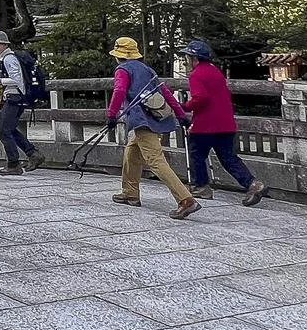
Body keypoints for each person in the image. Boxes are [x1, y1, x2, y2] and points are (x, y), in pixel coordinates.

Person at [103, 36, 199, 219]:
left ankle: (186, 199)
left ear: (119, 55)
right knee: (131, 151)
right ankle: (130, 192)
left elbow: (119, 91)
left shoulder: (122, 70)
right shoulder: (147, 70)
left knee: (155, 160)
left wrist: (111, 114)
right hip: (157, 117)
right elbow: (166, 93)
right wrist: (181, 115)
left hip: (142, 120)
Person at [182, 38, 268, 206]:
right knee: (228, 158)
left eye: (188, 58)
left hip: (205, 125)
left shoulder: (196, 74)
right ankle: (253, 184)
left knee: (197, 154)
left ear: (195, 58)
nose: (187, 62)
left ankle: (201, 186)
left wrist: (185, 106)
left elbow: (200, 98)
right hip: (226, 123)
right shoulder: (216, 71)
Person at [0, 31, 41, 176]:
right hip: (15, 97)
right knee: (10, 129)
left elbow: (17, 80)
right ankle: (33, 154)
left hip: (14, 98)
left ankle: (13, 164)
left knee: (4, 132)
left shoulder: (9, 59)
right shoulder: (5, 58)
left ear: (6, 44)